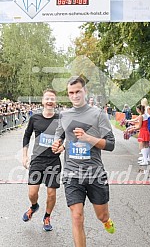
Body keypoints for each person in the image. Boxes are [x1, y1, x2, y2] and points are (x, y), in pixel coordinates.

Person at [52, 76, 116, 247]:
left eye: (78, 91)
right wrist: (57, 145)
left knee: (102, 215)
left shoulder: (98, 114)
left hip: (95, 173)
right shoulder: (64, 115)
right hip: (72, 173)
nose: (75, 96)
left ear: (85, 91)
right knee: (76, 216)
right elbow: (59, 136)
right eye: (71, 93)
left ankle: (106, 221)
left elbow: (110, 144)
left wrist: (88, 138)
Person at [22, 89, 64, 231]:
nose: (49, 101)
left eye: (52, 98)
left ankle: (47, 217)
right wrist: (25, 155)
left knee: (51, 193)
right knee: (32, 193)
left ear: (55, 101)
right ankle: (34, 206)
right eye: (47, 98)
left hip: (53, 161)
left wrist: (62, 147)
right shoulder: (35, 118)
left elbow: (69, 137)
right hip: (37, 160)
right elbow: (26, 136)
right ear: (42, 101)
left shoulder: (61, 119)